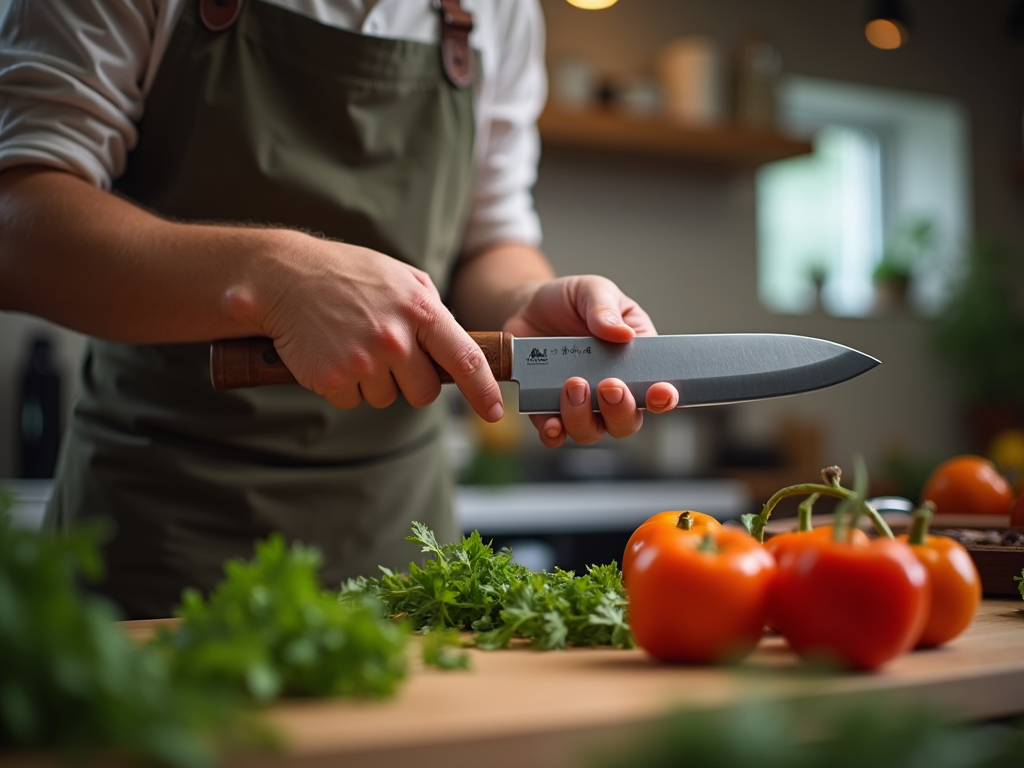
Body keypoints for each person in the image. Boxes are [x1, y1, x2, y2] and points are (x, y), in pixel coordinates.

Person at [0, 0, 679, 619]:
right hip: (159, 542)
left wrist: (523, 302)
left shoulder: (502, 11)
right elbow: (17, 221)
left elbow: (490, 237)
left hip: (404, 553)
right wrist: (267, 276)